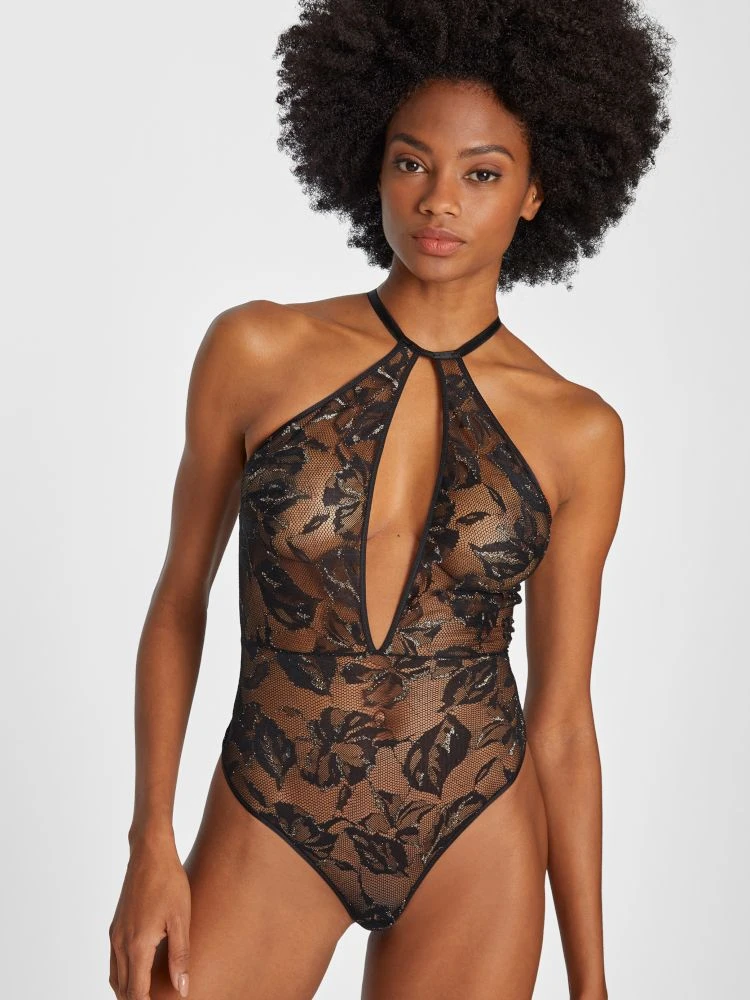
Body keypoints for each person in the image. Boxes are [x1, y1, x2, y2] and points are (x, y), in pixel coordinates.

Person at [108, 2, 673, 998]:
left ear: (538, 191)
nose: (439, 201)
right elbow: (177, 600)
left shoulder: (579, 432)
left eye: (482, 173)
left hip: (478, 833)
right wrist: (150, 839)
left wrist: (592, 984)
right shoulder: (255, 350)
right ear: (372, 161)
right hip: (274, 805)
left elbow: (562, 722)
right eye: (414, 162)